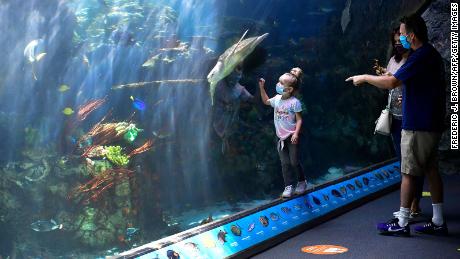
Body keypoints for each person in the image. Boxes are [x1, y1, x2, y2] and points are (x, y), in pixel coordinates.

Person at [346, 14, 446, 236]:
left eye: (401, 33)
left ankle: (401, 222)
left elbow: (392, 82)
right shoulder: (430, 54)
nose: (399, 37)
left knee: (408, 172)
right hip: (430, 121)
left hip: (419, 124)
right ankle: (438, 221)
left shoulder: (420, 56)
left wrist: (364, 77)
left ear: (411, 35)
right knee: (430, 169)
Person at [380, 28, 424, 220]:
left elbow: (404, 83)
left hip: (411, 116)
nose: (398, 43)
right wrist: (383, 74)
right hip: (395, 117)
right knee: (402, 162)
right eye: (395, 40)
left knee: (412, 164)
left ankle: (414, 204)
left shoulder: (414, 59)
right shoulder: (393, 60)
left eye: (401, 39)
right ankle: (408, 204)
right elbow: (390, 80)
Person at [259, 71, 307, 198]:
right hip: (280, 137)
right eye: (278, 81)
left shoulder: (294, 102)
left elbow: (299, 119)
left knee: (294, 161)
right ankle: (288, 186)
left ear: (290, 89)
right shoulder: (277, 99)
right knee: (284, 163)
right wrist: (261, 88)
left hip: (292, 136)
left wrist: (296, 133)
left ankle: (302, 182)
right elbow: (265, 101)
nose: (278, 84)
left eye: (281, 83)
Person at [212, 65, 254, 154]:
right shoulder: (217, 85)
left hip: (229, 123)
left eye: (239, 70)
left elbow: (250, 99)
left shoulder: (239, 88)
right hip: (222, 122)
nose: (238, 75)